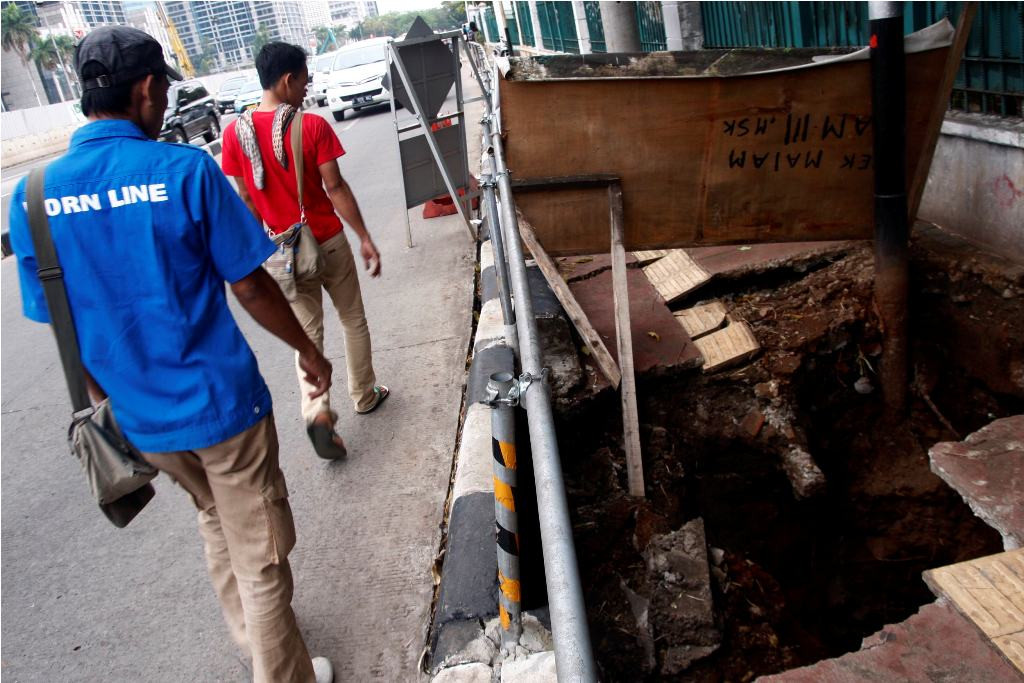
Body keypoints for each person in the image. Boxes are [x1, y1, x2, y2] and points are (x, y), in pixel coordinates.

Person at [9, 27, 333, 683]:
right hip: (222, 408)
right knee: (263, 552)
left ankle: (256, 640)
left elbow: (62, 329)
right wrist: (308, 351)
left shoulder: (33, 198)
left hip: (141, 422)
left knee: (215, 518)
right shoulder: (184, 170)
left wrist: (115, 401)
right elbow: (249, 281)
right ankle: (284, 675)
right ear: (149, 89)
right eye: (162, 93)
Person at [221, 42, 388, 461]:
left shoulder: (233, 134)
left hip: (281, 250)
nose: (307, 85)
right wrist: (365, 236)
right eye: (304, 77)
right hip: (327, 240)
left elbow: (244, 198)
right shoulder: (311, 126)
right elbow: (335, 187)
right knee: (352, 319)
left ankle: (317, 413)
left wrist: (260, 250)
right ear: (286, 80)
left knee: (307, 336)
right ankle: (364, 394)